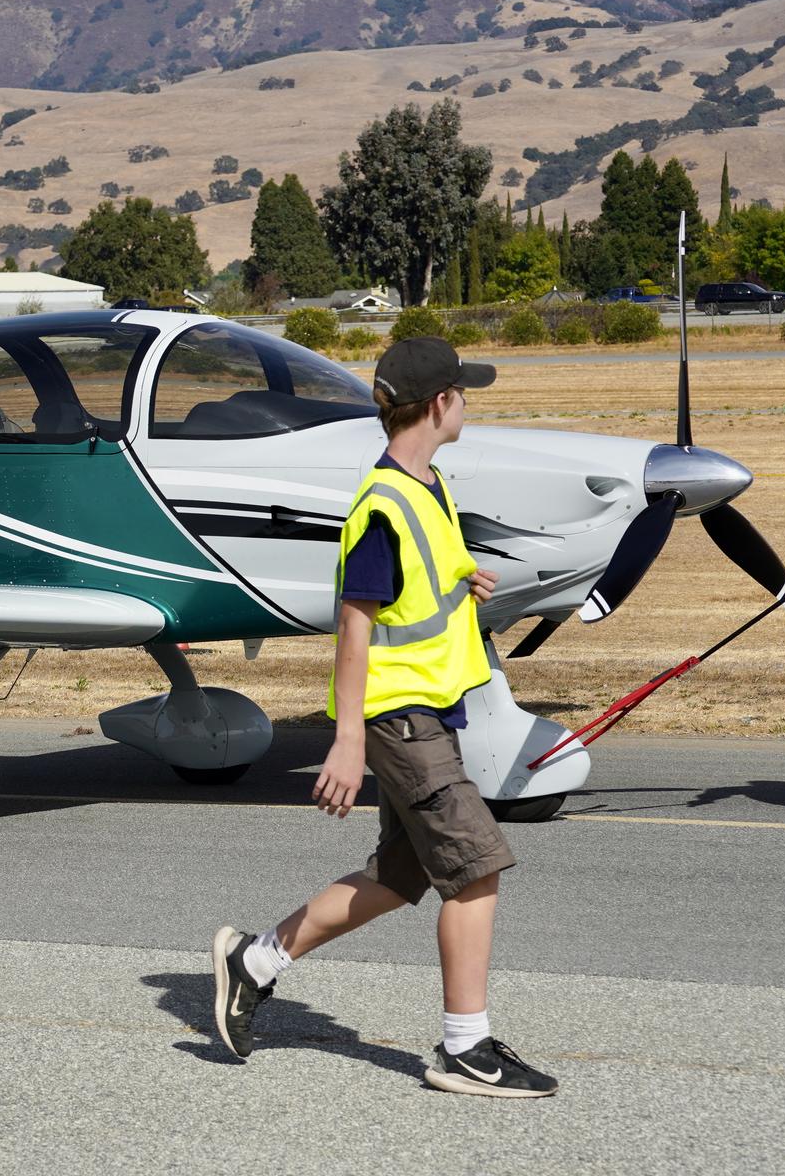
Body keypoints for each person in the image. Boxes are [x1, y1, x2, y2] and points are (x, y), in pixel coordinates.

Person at [209, 335, 559, 1098]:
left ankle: (256, 962)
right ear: (440, 403)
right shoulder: (383, 505)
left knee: (401, 877)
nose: (467, 402)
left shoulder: (425, 482)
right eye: (463, 392)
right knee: (476, 869)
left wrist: (465, 577)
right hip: (398, 717)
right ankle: (467, 1050)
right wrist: (345, 743)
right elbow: (355, 622)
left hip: (428, 709)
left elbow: (414, 587)